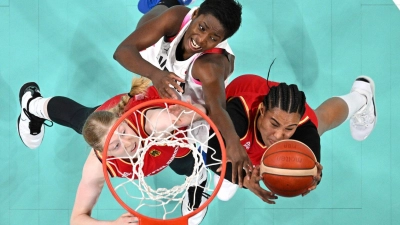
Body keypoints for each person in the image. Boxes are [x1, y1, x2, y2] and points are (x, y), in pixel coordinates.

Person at [17, 77, 210, 224]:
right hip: (105, 128)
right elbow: (77, 219)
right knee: (80, 119)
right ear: (104, 153)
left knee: (183, 157)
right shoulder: (97, 167)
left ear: (123, 120)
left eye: (124, 131)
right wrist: (113, 224)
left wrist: (190, 112)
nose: (127, 143)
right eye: (115, 145)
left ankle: (198, 179)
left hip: (155, 130)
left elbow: (201, 111)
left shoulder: (155, 124)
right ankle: (32, 105)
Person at [114, 0, 253, 186]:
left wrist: (233, 143)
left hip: (194, 99)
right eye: (202, 28)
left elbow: (217, 107)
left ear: (221, 40)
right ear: (194, 15)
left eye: (213, 38)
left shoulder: (211, 66)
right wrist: (155, 74)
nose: (202, 40)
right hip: (163, 71)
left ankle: (199, 178)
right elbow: (122, 51)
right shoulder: (178, 17)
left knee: (181, 141)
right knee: (149, 26)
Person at [207, 73, 377, 203]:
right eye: (274, 124)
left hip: (284, 112)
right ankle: (237, 167)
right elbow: (210, 155)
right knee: (231, 150)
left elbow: (313, 168)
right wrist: (243, 179)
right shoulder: (239, 113)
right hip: (241, 105)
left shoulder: (302, 125)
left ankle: (362, 97)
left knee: (322, 120)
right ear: (261, 111)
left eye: (289, 129)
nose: (279, 135)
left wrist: (313, 177)